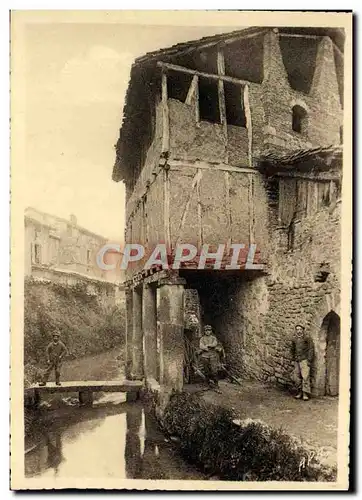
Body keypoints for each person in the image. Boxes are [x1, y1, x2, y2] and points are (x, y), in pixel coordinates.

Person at [291, 324, 314, 401]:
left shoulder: (307, 339)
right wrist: (293, 359)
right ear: (295, 331)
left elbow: (311, 349)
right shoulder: (294, 340)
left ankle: (305, 394)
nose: (299, 331)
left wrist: (309, 360)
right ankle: (299, 392)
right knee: (296, 377)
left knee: (305, 377)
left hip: (305, 360)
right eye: (297, 329)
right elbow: (292, 350)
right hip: (297, 360)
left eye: (300, 329)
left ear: (303, 330)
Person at [198, 325, 223, 390]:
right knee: (206, 371)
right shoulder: (202, 339)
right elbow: (201, 346)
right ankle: (207, 384)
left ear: (211, 331)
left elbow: (214, 344)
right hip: (205, 356)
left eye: (209, 330)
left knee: (214, 370)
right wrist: (205, 347)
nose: (207, 332)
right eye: (206, 330)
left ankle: (216, 384)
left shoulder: (213, 338)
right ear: (204, 331)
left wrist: (208, 345)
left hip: (213, 356)